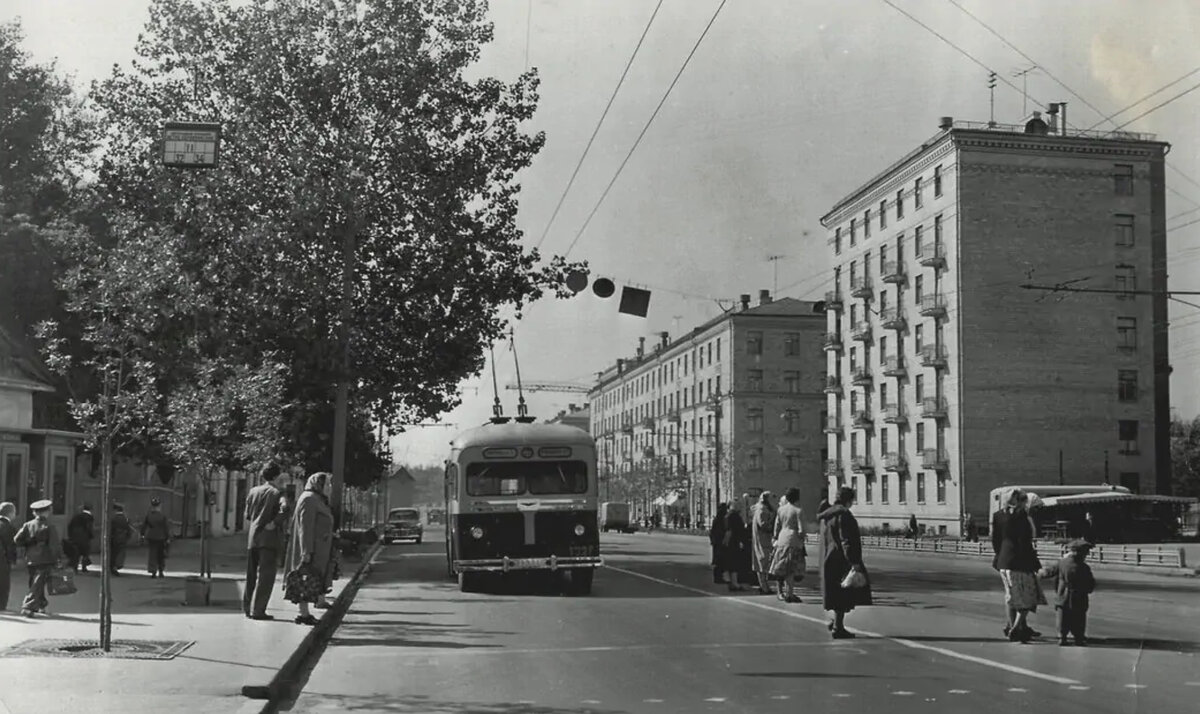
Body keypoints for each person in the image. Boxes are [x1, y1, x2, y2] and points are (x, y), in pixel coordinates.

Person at [819, 486, 872, 638]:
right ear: (849, 500)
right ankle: (838, 627)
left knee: (836, 593)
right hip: (841, 559)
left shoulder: (829, 515)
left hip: (830, 556)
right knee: (843, 594)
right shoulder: (844, 515)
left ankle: (835, 622)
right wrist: (853, 561)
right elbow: (846, 540)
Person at [991, 488, 1044, 643]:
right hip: (1019, 562)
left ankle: (1015, 626)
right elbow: (1024, 542)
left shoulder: (998, 515)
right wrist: (1034, 564)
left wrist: (1000, 556)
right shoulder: (1021, 516)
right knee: (1027, 596)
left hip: (1003, 561)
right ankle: (1017, 628)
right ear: (1019, 501)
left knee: (1010, 595)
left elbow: (996, 539)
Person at [285, 472, 335, 625]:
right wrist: (306, 551)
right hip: (311, 549)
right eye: (327, 484)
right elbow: (305, 527)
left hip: (319, 548)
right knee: (304, 580)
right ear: (318, 484)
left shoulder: (317, 499)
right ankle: (303, 614)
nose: (330, 487)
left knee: (311, 579)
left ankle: (308, 610)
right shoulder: (309, 499)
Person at [243, 462, 290, 620]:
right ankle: (258, 610)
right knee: (266, 576)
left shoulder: (253, 491)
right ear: (277, 476)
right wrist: (274, 522)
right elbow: (285, 509)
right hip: (269, 540)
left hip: (253, 538)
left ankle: (247, 608)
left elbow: (248, 515)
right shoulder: (278, 493)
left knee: (250, 575)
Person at [12, 499, 64, 617]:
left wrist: (29, 543)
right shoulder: (50, 527)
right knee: (38, 582)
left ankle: (40, 604)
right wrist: (58, 559)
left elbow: (16, 540)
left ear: (35, 512)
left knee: (35, 581)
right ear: (47, 512)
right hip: (45, 559)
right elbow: (54, 546)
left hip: (31, 558)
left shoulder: (28, 525)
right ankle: (27, 606)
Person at [1039, 539, 1096, 647]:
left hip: (1062, 595)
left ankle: (1062, 636)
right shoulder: (1084, 567)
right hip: (1079, 597)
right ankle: (1078, 638)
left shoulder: (1061, 563)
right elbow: (1090, 584)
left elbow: (1047, 572)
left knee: (1062, 617)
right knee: (1079, 618)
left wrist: (1039, 574)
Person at [769, 488, 807, 603]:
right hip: (793, 540)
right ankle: (790, 593)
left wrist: (775, 537)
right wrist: (802, 539)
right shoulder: (798, 511)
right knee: (791, 569)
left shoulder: (781, 510)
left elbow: (776, 526)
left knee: (783, 567)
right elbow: (801, 530)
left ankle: (784, 592)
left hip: (782, 539)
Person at [749, 492, 776, 595]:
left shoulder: (761, 508)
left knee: (762, 562)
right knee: (763, 561)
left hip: (762, 539)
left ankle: (764, 585)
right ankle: (764, 587)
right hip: (763, 539)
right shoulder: (762, 510)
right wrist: (772, 522)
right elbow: (764, 525)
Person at [722, 501, 751, 592]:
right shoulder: (733, 516)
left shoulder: (728, 516)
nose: (737, 506)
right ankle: (734, 583)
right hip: (734, 541)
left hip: (732, 541)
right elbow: (730, 530)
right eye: (735, 505)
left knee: (731, 562)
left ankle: (732, 582)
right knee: (734, 562)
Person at [141, 498, 171, 578]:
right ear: (159, 506)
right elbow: (166, 527)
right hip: (161, 537)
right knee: (161, 555)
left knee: (152, 554)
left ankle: (153, 571)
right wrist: (168, 537)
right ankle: (161, 571)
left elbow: (144, 526)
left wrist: (142, 535)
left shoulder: (149, 515)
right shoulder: (163, 516)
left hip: (151, 537)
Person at [66, 503, 95, 574]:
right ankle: (84, 568)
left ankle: (75, 568)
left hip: (74, 537)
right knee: (85, 553)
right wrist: (91, 535)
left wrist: (70, 536)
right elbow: (89, 528)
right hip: (84, 537)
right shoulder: (90, 517)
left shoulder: (76, 516)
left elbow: (70, 526)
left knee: (76, 553)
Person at [0, 502, 18, 611]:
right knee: (3, 583)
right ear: (10, 513)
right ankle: (1, 605)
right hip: (2, 559)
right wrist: (12, 559)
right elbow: (10, 545)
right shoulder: (8, 526)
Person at [110, 503, 134, 575]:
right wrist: (128, 537)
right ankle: (118, 565)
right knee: (121, 552)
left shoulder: (113, 518)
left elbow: (111, 529)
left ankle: (113, 566)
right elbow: (128, 529)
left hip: (114, 538)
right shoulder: (125, 519)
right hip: (123, 538)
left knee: (114, 553)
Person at [708, 503, 729, 584]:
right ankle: (718, 577)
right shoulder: (721, 519)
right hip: (719, 542)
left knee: (719, 560)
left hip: (717, 542)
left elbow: (712, 532)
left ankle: (718, 577)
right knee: (719, 560)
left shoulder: (718, 518)